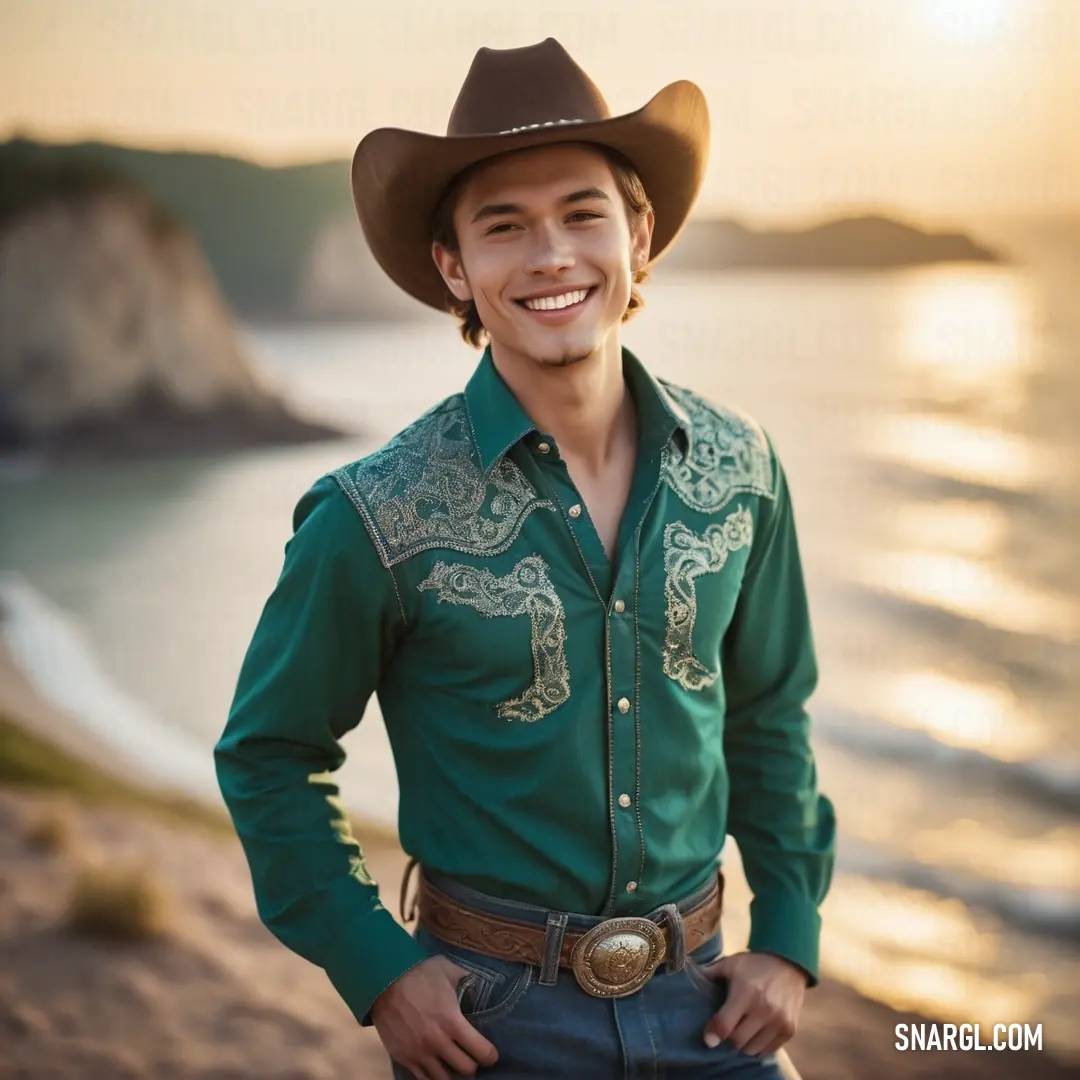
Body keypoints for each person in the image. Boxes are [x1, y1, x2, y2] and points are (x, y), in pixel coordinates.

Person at [215, 37, 836, 1080]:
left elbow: (770, 716)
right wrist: (376, 967)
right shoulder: (373, 515)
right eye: (503, 227)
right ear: (452, 265)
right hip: (492, 1028)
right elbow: (270, 755)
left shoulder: (743, 472)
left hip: (717, 1011)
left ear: (638, 235)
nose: (551, 256)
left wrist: (791, 940)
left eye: (583, 214)